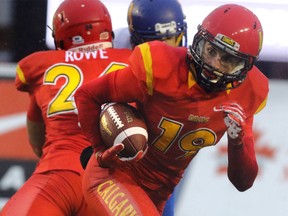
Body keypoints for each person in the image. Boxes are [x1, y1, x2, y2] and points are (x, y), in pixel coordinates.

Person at [74, 3, 269, 215]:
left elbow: (243, 182)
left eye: (228, 60)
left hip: (159, 193)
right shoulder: (161, 65)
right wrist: (99, 151)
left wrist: (237, 142)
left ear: (244, 67)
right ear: (199, 40)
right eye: (211, 50)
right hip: (115, 177)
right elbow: (87, 95)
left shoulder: (247, 95)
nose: (214, 64)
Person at [1, 0, 132, 215]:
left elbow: (37, 143)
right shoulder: (136, 60)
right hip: (115, 185)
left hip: (59, 175)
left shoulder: (40, 65)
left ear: (62, 35)